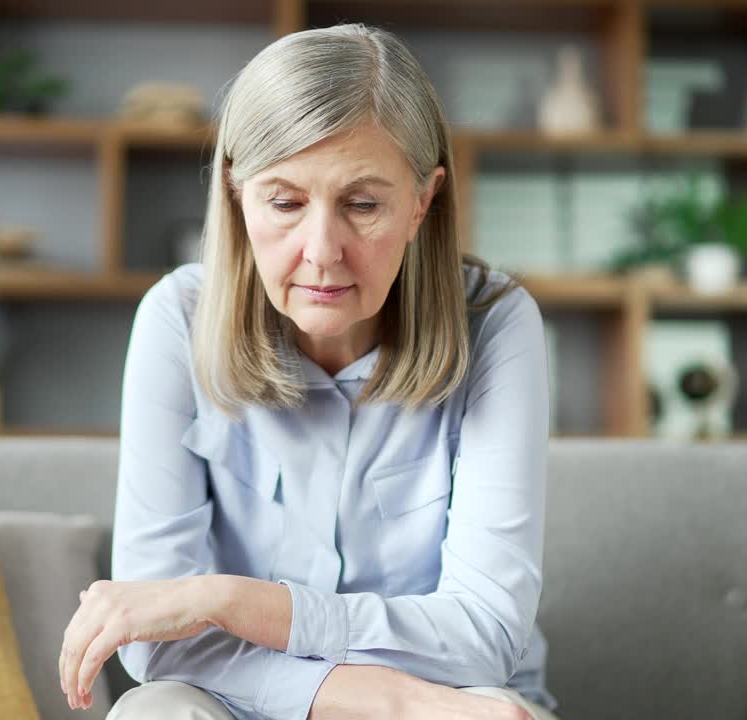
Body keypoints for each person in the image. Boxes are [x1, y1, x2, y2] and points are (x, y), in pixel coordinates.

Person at [58, 22, 559, 720]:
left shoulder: (498, 323)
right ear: (236, 192)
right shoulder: (178, 317)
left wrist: (225, 600)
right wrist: (385, 700)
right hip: (247, 699)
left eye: (363, 204)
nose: (322, 252)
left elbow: (485, 637)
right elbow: (154, 645)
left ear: (423, 201)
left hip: (456, 699)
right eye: (286, 202)